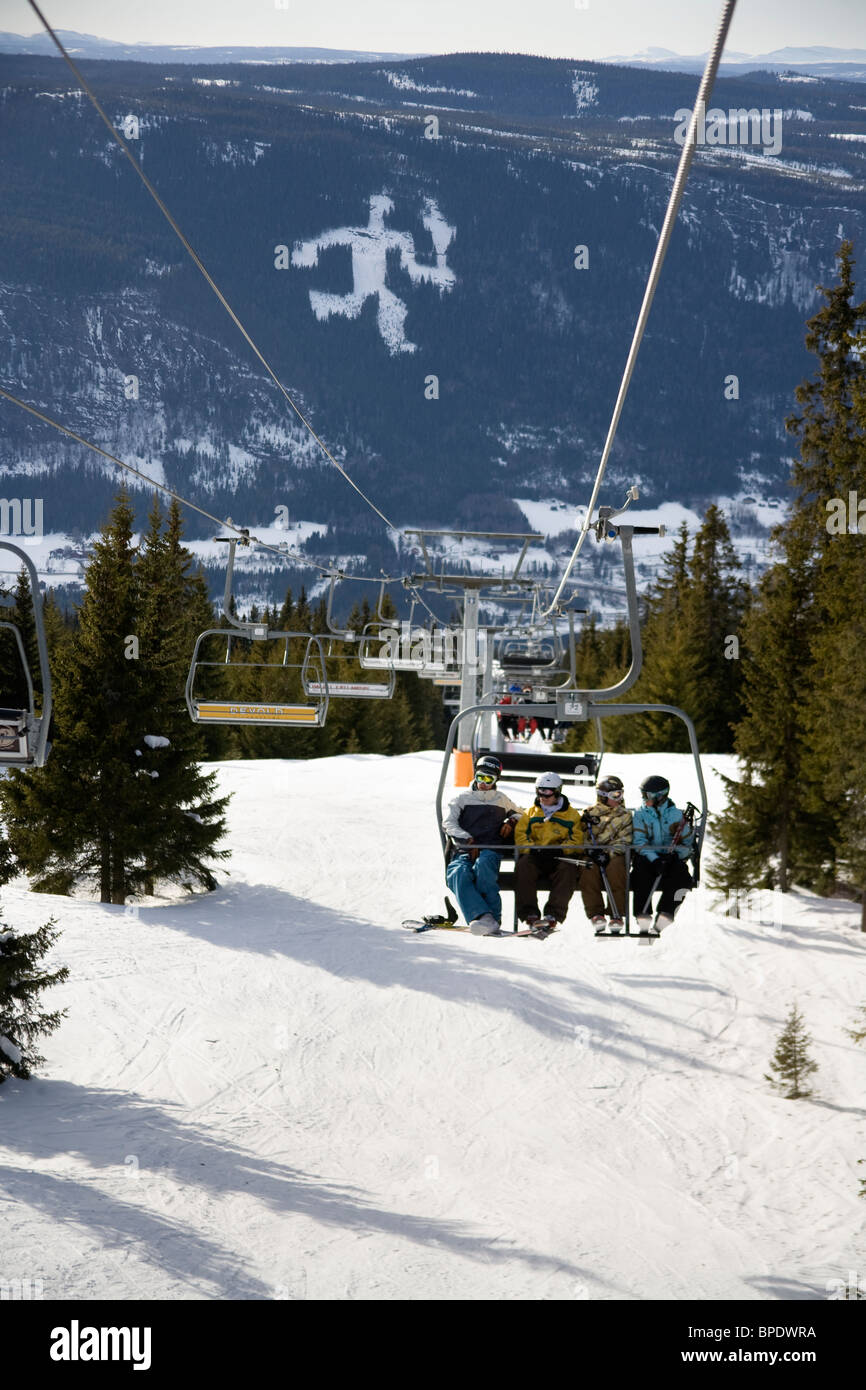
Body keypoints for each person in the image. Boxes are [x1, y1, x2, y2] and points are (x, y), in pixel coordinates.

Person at [442, 754, 522, 935]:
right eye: (480, 777)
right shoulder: (462, 799)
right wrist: (466, 839)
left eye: (489, 779)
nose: (483, 783)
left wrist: (511, 821)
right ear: (475, 776)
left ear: (496, 780)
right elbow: (449, 823)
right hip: (465, 849)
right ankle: (485, 917)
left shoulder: (501, 799)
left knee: (484, 865)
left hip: (491, 848)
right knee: (458, 873)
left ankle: (493, 916)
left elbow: (522, 814)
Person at [514, 771, 584, 931]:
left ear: (557, 792)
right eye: (539, 791)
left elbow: (577, 839)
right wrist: (532, 849)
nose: (543, 796)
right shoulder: (531, 813)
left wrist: (560, 851)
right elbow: (520, 835)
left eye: (547, 792)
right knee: (523, 866)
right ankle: (529, 913)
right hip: (536, 856)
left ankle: (553, 914)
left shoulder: (571, 815)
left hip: (559, 857)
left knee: (568, 869)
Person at [630, 774, 694, 931]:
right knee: (641, 872)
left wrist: (675, 855)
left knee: (682, 875)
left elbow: (687, 844)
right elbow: (639, 842)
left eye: (648, 795)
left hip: (671, 858)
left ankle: (666, 912)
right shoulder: (640, 814)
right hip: (647, 858)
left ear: (661, 795)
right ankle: (642, 914)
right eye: (643, 794)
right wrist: (655, 859)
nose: (645, 798)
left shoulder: (677, 816)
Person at [579, 775, 633, 933]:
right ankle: (596, 913)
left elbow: (625, 839)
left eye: (621, 794)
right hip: (593, 855)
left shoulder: (625, 815)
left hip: (614, 855)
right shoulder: (589, 813)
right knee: (587, 868)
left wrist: (609, 853)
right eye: (615, 795)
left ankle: (617, 913)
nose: (619, 798)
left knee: (616, 869)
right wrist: (591, 850)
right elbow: (581, 838)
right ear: (602, 796)